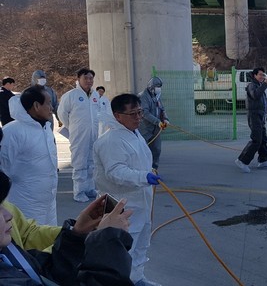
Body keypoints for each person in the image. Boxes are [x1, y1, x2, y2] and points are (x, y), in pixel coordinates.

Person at [0, 170, 136, 285]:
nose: (9, 215)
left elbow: (44, 272)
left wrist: (76, 235)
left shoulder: (7, 251)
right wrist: (108, 244)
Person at [93, 93, 164, 286]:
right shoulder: (111, 140)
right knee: (123, 248)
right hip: (122, 204)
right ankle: (121, 282)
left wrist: (147, 173)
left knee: (141, 243)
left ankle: (136, 278)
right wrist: (143, 177)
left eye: (140, 112)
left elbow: (137, 159)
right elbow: (115, 172)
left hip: (140, 199)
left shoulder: (133, 133)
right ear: (117, 115)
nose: (138, 117)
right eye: (133, 113)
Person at [0, 86, 58, 225]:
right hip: (24, 205)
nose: (51, 107)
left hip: (48, 204)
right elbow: (2, 169)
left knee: (48, 241)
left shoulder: (45, 129)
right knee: (28, 243)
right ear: (36, 106)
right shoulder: (12, 132)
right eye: (48, 103)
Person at [58, 68, 100, 203]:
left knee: (92, 163)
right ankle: (79, 191)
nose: (89, 81)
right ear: (78, 79)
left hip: (93, 134)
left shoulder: (95, 96)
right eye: (85, 78)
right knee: (80, 163)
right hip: (79, 135)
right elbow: (62, 114)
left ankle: (89, 189)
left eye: (91, 78)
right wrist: (74, 127)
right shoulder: (71, 95)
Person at [235, 67, 267, 173]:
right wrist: (265, 84)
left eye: (263, 75)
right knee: (256, 139)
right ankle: (242, 160)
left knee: (263, 139)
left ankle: (264, 160)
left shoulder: (259, 85)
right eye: (260, 75)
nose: (262, 77)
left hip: (260, 116)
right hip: (254, 116)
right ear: (255, 76)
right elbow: (255, 95)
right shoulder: (252, 85)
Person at [138, 77, 169, 170]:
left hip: (156, 129)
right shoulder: (143, 96)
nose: (159, 88)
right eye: (157, 86)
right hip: (145, 129)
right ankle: (144, 170)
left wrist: (165, 119)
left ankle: (154, 169)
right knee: (144, 151)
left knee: (156, 150)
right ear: (152, 87)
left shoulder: (157, 96)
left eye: (160, 87)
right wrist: (157, 121)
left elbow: (162, 109)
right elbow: (145, 113)